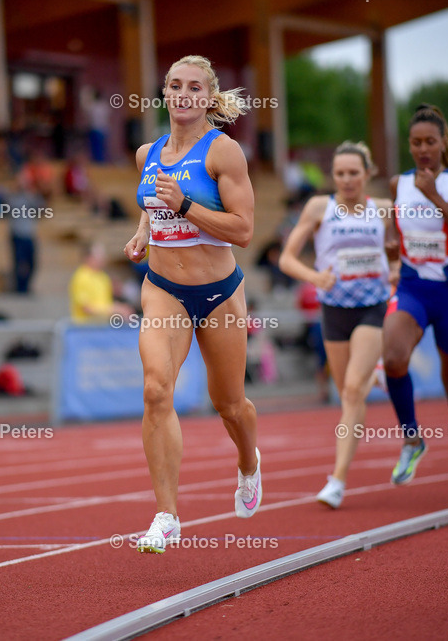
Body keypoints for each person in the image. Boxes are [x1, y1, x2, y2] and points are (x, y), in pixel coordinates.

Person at [123, 55, 261, 553]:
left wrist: (185, 205)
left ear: (208, 97)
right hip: (162, 287)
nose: (183, 94)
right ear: (165, 93)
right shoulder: (146, 153)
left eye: (194, 87)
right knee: (156, 390)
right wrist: (142, 232)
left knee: (229, 403)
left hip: (219, 292)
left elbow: (243, 231)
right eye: (175, 86)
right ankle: (166, 514)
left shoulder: (223, 154)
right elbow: (150, 204)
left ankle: (249, 461)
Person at [279, 141, 399, 508]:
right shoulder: (319, 207)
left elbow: (400, 250)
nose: (347, 180)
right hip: (333, 309)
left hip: (372, 307)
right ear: (333, 176)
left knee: (350, 391)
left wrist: (395, 269)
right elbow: (287, 258)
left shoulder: (384, 209)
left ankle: (337, 480)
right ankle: (373, 370)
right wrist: (315, 278)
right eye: (340, 173)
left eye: (354, 173)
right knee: (347, 392)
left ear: (367, 174)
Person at [382, 104, 448, 503]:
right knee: (392, 357)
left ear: (443, 144)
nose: (422, 149)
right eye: (416, 142)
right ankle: (412, 439)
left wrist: (435, 197)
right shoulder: (398, 184)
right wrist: (391, 242)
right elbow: (396, 228)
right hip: (413, 289)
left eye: (430, 142)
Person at [69, 241, 133, 322]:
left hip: (101, 327)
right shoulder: (81, 277)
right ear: (88, 257)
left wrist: (119, 307)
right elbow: (86, 308)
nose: (103, 258)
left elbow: (105, 303)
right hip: (84, 329)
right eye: (99, 255)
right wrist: (114, 309)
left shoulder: (103, 277)